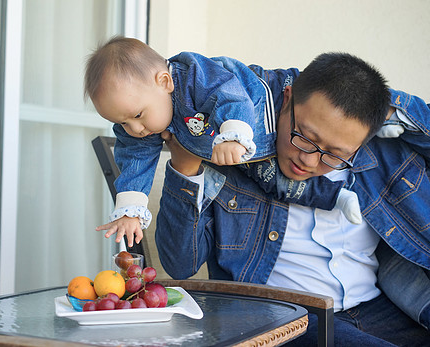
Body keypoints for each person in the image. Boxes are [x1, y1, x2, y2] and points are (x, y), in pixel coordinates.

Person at [155, 52, 430, 345]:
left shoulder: (380, 154)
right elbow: (180, 265)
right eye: (305, 138)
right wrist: (184, 168)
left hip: (378, 307)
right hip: (290, 317)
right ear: (287, 97)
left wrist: (393, 110)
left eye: (334, 155)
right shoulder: (234, 150)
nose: (310, 161)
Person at [84, 36, 361, 248]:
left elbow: (228, 93)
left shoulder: (194, 74)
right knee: (278, 182)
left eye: (136, 116)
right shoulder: (141, 122)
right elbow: (134, 161)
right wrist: (131, 210)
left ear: (165, 81)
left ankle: (387, 119)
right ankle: (338, 196)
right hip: (245, 154)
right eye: (121, 123)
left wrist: (233, 133)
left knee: (333, 100)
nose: (134, 129)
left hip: (264, 108)